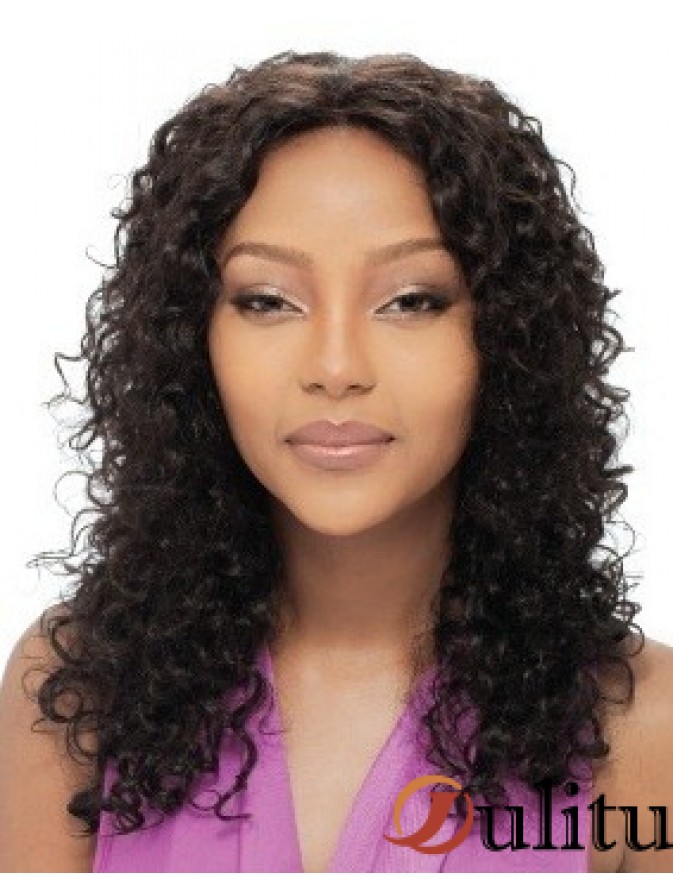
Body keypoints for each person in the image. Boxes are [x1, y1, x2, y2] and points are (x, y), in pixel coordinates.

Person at [1, 49, 672, 873]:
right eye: (267, 301)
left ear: (507, 337)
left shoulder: (642, 728)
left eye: (410, 300)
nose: (335, 366)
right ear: (191, 340)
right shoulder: (79, 687)